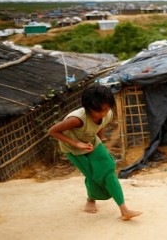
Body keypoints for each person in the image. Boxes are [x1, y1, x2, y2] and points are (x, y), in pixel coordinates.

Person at [48, 85, 142, 221]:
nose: (103, 113)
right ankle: (91, 199)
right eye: (99, 111)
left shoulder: (107, 113)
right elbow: (53, 131)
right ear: (88, 108)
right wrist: (77, 144)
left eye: (106, 109)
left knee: (108, 168)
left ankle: (124, 210)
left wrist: (99, 143)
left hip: (92, 142)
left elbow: (100, 126)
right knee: (92, 175)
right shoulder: (77, 119)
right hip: (73, 149)